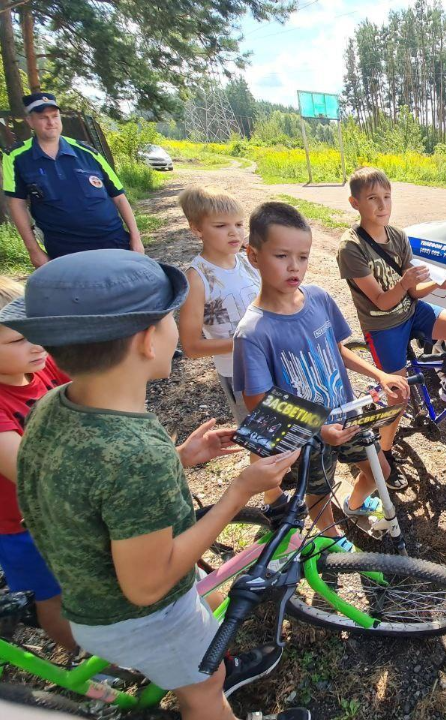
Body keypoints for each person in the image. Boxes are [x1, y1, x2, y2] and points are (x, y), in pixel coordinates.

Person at [0, 250, 310, 720]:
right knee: (206, 693)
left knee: (207, 636)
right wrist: (239, 492)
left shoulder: (56, 403)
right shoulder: (132, 453)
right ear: (148, 340)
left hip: (92, 597)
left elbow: (94, 484)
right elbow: (148, 585)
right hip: (145, 617)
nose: (177, 330)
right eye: (171, 320)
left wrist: (180, 457)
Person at [233, 201, 409, 535]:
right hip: (306, 434)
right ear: (253, 256)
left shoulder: (318, 298)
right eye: (281, 256)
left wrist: (380, 375)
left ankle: (354, 504)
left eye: (303, 256)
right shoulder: (253, 331)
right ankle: (329, 538)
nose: (294, 267)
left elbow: (338, 349)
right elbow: (257, 400)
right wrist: (318, 429)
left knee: (380, 471)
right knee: (318, 491)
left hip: (346, 415)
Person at [336, 167, 446, 489]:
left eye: (387, 197)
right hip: (383, 324)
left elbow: (413, 292)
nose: (382, 205)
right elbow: (382, 301)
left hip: (412, 311)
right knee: (398, 395)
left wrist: (438, 284)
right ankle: (384, 452)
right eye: (372, 198)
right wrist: (406, 282)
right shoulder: (351, 248)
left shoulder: (398, 236)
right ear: (355, 203)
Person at [0, 278, 75, 652]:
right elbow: (32, 473)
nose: (37, 345)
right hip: (22, 523)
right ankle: (85, 660)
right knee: (52, 596)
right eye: (18, 340)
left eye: (38, 331)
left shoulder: (41, 368)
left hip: (70, 507)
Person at [2, 92, 143, 267]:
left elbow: (119, 197)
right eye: (43, 117)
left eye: (55, 116)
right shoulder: (16, 157)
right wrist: (34, 250)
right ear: (30, 121)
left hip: (113, 241)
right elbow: (16, 205)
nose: (51, 122)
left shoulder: (88, 152)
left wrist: (136, 239)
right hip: (64, 251)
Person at [177, 186, 260, 423]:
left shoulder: (248, 263)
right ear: (196, 229)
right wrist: (246, 344)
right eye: (221, 226)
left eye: (239, 224)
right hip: (240, 375)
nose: (234, 233)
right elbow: (192, 346)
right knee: (263, 440)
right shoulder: (197, 277)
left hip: (272, 362)